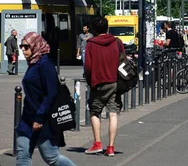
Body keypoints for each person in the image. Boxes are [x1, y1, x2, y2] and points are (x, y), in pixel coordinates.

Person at [16, 32, 76, 166]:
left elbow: (52, 93)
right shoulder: (33, 63)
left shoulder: (44, 64)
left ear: (35, 45)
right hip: (28, 117)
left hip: (44, 119)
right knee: (22, 153)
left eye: (26, 47)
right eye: (22, 47)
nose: (23, 50)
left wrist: (40, 118)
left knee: (52, 157)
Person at [84, 16, 124, 157]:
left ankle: (97, 143)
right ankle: (111, 147)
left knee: (95, 112)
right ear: (107, 28)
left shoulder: (91, 43)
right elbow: (122, 62)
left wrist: (90, 80)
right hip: (114, 82)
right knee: (113, 114)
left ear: (94, 29)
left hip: (98, 82)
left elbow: (88, 67)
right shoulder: (117, 42)